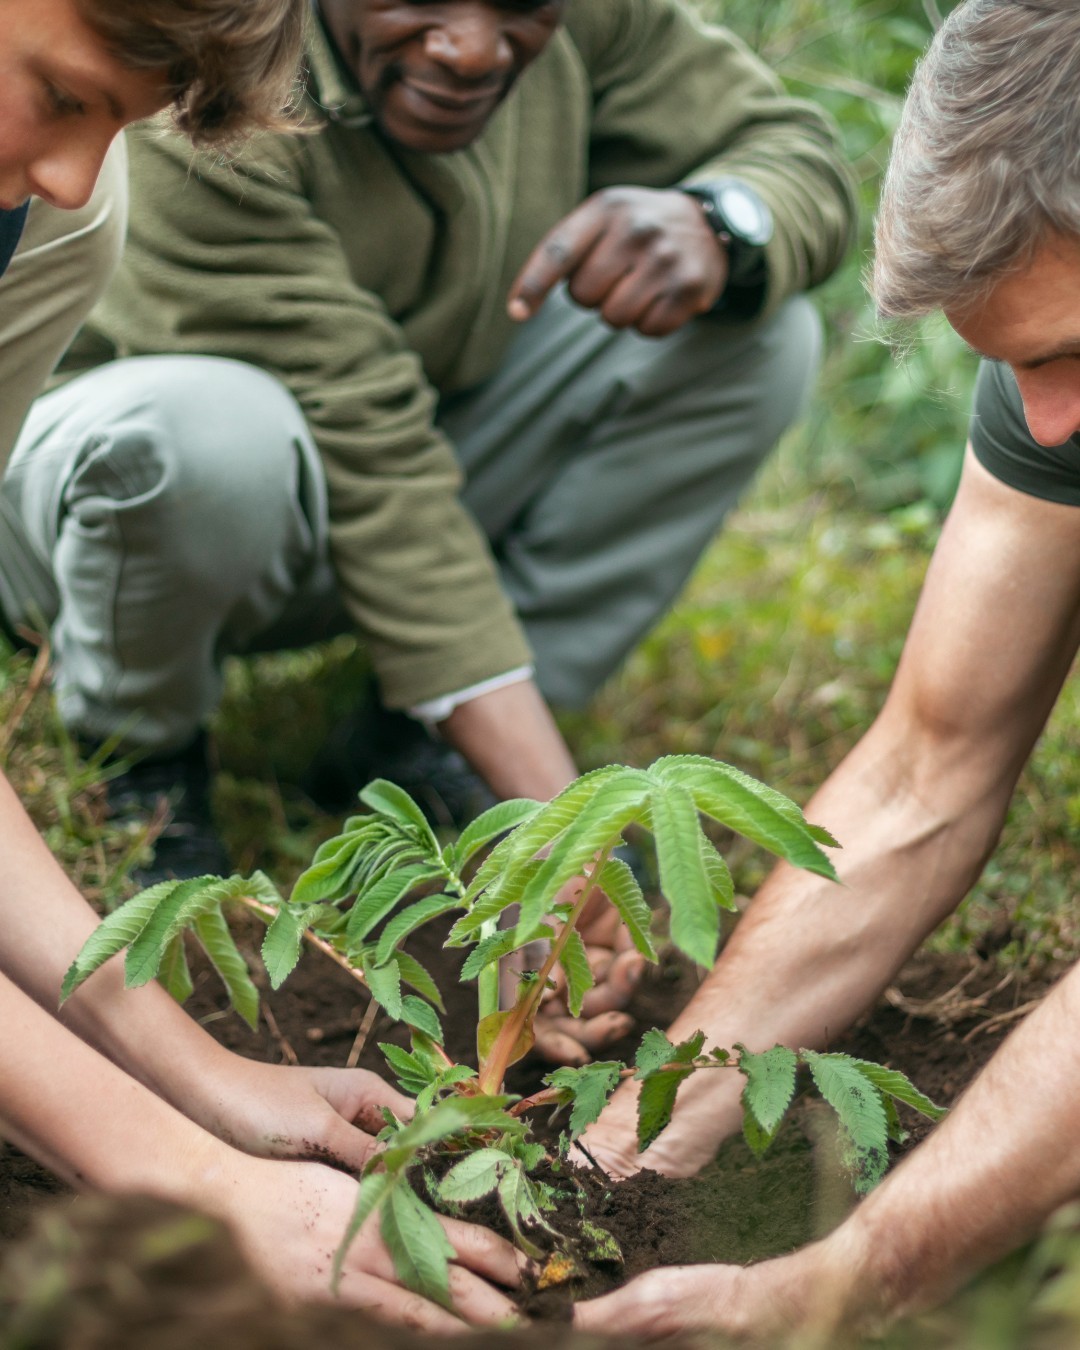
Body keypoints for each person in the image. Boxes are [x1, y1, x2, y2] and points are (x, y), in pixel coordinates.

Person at [2, 0, 855, 898]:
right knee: (193, 437)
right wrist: (566, 821)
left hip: (379, 463)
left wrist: (721, 222)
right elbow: (372, 453)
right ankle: (140, 754)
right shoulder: (208, 84)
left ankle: (427, 735)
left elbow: (793, 149)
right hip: (105, 523)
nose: (472, 49)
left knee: (755, 329)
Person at [0, 0, 522, 1327]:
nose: (76, 174)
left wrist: (199, 1074)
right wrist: (168, 1165)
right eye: (60, 95)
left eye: (117, 124)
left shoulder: (53, 219)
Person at [569, 0, 1080, 1337]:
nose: (1051, 421)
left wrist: (858, 1273)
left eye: (1069, 352)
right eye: (1015, 364)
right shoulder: (1056, 392)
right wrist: (646, 1128)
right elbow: (926, 772)